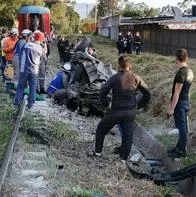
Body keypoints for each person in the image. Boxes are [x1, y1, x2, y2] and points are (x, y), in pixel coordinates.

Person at [88, 55, 151, 163]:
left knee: (101, 129)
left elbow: (102, 92)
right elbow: (147, 93)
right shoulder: (136, 77)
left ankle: (97, 152)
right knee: (128, 137)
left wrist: (106, 105)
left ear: (119, 65)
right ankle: (123, 160)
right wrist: (139, 105)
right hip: (130, 112)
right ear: (130, 65)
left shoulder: (115, 77)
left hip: (116, 111)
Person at [167, 48, 194, 158]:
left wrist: (171, 108)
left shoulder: (181, 73)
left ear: (176, 59)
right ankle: (178, 147)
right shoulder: (190, 71)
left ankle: (181, 151)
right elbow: (187, 90)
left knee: (182, 128)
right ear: (186, 57)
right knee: (183, 127)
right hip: (185, 101)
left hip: (180, 103)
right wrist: (187, 103)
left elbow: (177, 92)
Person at [14, 31, 44, 109]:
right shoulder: (40, 48)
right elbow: (43, 58)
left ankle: (17, 103)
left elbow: (20, 55)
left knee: (20, 86)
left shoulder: (26, 44)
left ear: (34, 37)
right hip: (34, 71)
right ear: (41, 40)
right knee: (33, 88)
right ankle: (30, 105)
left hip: (24, 69)